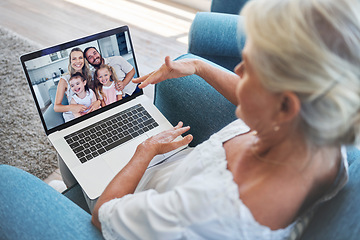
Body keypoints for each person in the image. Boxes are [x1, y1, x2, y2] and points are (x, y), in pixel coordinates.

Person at [1, 0, 359, 239]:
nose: (236, 70)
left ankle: (69, 198)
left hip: (137, 205)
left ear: (286, 106)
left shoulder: (207, 210)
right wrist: (199, 66)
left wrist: (144, 151)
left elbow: (104, 216)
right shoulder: (319, 133)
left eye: (249, 70)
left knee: (11, 184)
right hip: (174, 170)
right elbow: (264, 105)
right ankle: (73, 191)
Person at [54, 47, 101, 122]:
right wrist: (72, 107)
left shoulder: (91, 75)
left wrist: (98, 102)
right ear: (70, 61)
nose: (78, 61)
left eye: (80, 58)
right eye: (74, 59)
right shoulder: (64, 80)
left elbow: (98, 94)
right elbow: (56, 107)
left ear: (84, 60)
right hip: (74, 115)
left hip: (91, 111)